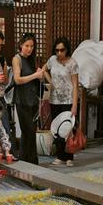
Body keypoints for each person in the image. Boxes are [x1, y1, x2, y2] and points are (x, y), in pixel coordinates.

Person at [44, 36, 79, 167]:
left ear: (67, 49)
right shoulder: (52, 60)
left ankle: (69, 157)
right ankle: (60, 156)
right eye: (57, 50)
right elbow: (44, 69)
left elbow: (75, 85)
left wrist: (74, 105)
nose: (59, 53)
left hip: (68, 100)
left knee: (68, 129)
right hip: (54, 100)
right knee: (57, 129)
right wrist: (51, 82)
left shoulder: (72, 63)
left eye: (62, 50)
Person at [12, 32, 43, 165]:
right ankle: (28, 161)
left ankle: (28, 161)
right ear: (21, 45)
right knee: (27, 131)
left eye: (32, 46)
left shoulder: (32, 59)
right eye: (27, 46)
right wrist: (35, 75)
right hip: (22, 100)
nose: (29, 49)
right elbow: (17, 79)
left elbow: (36, 80)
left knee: (31, 133)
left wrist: (40, 75)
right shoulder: (17, 58)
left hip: (33, 100)